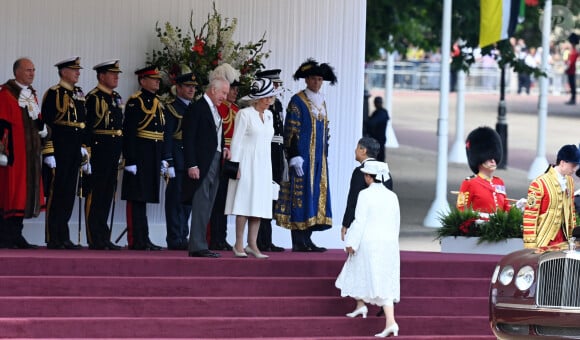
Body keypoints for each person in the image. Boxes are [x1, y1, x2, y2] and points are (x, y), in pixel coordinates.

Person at [275, 58, 337, 252]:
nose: (317, 83)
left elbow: (325, 131)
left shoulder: (322, 102)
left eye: (320, 79)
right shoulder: (297, 101)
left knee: (315, 196)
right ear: (306, 80)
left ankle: (308, 239)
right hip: (302, 159)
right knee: (300, 196)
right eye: (313, 79)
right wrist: (293, 155)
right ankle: (298, 240)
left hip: (318, 159)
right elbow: (290, 131)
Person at [335, 160, 400, 338]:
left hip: (368, 243)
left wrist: (350, 242)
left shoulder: (364, 195)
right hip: (388, 244)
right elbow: (396, 223)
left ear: (369, 177)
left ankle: (389, 321)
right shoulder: (392, 196)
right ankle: (367, 309)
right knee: (382, 280)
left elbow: (359, 222)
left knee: (357, 272)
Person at [224, 78, 281, 259]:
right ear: (258, 98)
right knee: (244, 203)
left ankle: (253, 244)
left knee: (259, 205)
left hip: (264, 163)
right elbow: (237, 141)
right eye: (266, 97)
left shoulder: (270, 116)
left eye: (270, 97)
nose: (269, 100)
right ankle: (239, 243)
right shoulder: (244, 114)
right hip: (247, 162)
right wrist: (235, 165)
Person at [0, 57, 47, 249]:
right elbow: (1, 123)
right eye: (28, 70)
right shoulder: (6, 94)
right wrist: (2, 151)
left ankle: (16, 235)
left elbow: (36, 119)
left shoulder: (30, 95)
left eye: (34, 70)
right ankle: (6, 236)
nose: (32, 73)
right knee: (11, 195)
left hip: (29, 155)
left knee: (24, 195)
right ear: (17, 72)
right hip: (13, 155)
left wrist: (43, 129)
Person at [182, 76, 230, 258]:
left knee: (209, 204)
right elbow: (189, 138)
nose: (224, 97)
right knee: (201, 203)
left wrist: (224, 148)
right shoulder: (197, 108)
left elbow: (214, 135)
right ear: (213, 89)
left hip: (216, 160)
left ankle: (201, 243)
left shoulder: (215, 110)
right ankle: (197, 245)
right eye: (223, 92)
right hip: (202, 163)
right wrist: (192, 164)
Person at [42, 56, 87, 250]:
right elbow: (47, 124)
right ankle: (53, 236)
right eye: (73, 69)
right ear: (63, 72)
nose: (78, 73)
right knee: (56, 193)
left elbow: (82, 123)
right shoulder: (53, 93)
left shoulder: (78, 94)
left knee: (69, 194)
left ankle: (64, 235)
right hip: (59, 150)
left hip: (73, 150)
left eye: (78, 70)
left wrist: (84, 148)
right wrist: (48, 151)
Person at [121, 66, 165, 251]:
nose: (157, 81)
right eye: (153, 78)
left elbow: (160, 132)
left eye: (158, 79)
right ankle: (135, 239)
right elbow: (129, 132)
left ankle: (144, 237)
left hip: (152, 155)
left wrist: (162, 157)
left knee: (145, 197)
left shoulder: (157, 102)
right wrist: (130, 159)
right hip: (139, 155)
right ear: (142, 81)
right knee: (136, 198)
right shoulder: (135, 101)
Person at [83, 60, 123, 250]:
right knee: (96, 193)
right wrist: (87, 151)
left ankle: (104, 235)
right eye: (112, 74)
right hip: (99, 150)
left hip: (113, 150)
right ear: (101, 76)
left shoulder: (115, 97)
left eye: (117, 74)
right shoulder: (92, 97)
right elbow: (88, 126)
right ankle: (94, 236)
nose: (116, 77)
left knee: (108, 194)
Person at [207, 63, 240, 252]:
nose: (234, 93)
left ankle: (221, 237)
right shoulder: (218, 108)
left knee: (226, 202)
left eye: (235, 90)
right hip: (216, 157)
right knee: (213, 200)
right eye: (232, 89)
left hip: (230, 160)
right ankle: (212, 237)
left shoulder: (234, 110)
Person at [162, 72, 197, 250]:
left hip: (191, 161)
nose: (192, 89)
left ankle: (184, 235)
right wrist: (168, 160)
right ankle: (175, 238)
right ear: (179, 88)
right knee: (175, 201)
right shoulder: (171, 108)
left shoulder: (194, 108)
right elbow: (167, 135)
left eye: (194, 87)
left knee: (187, 202)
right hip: (177, 158)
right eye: (188, 86)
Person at [523, 144, 580, 249]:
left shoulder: (570, 182)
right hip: (544, 241)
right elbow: (530, 216)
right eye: (573, 165)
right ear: (562, 163)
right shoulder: (539, 183)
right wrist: (530, 246)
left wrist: (574, 237)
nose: (575, 169)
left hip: (565, 241)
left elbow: (571, 212)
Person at [255, 68, 285, 252]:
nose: (277, 88)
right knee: (262, 198)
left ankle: (267, 239)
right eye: (274, 84)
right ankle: (260, 239)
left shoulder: (277, 105)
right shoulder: (259, 106)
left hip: (276, 155)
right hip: (266, 153)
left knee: (271, 198)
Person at [341, 137, 393, 242]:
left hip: (364, 224)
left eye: (357, 148)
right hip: (383, 223)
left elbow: (353, 200)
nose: (355, 150)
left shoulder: (361, 171)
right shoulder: (386, 172)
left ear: (363, 151)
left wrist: (346, 224)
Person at [456, 127, 511, 215]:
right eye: (488, 158)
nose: (493, 161)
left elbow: (505, 208)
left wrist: (519, 207)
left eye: (494, 157)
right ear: (480, 159)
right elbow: (462, 210)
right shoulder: (470, 183)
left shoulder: (499, 182)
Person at [365, 97, 389, 162]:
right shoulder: (377, 112)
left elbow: (372, 123)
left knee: (379, 159)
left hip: (379, 140)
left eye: (378, 102)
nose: (376, 104)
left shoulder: (382, 113)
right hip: (376, 139)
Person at [565, 33, 578, 105]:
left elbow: (571, 62)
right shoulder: (573, 51)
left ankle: (573, 99)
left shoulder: (574, 51)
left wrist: (567, 68)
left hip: (571, 70)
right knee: (572, 85)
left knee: (572, 85)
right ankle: (572, 98)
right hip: (571, 70)